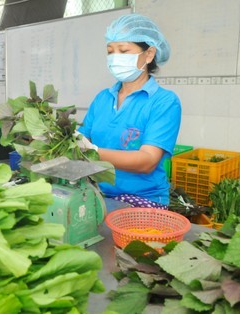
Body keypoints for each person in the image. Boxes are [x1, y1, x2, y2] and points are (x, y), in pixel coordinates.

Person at [75, 14, 181, 209]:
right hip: (98, 195)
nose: (115, 58)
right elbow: (79, 140)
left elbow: (147, 161)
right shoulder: (103, 98)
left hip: (144, 201)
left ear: (149, 54)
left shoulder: (164, 102)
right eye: (110, 51)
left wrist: (94, 152)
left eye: (123, 51)